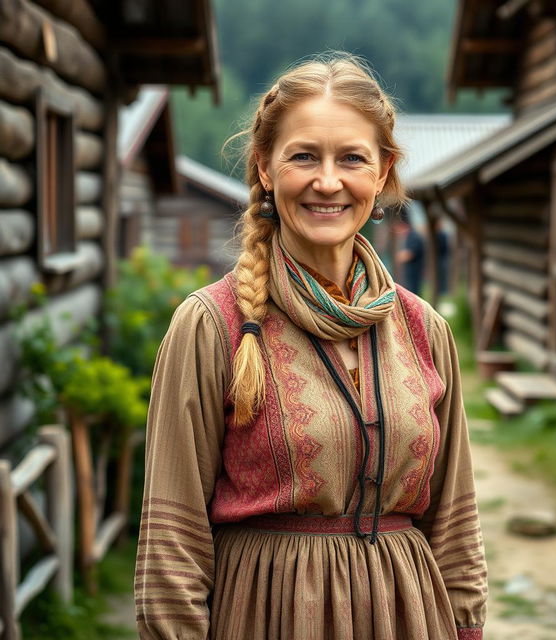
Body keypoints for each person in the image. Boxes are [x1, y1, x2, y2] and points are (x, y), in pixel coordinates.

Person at [135, 54, 487, 640]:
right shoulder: (210, 326)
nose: (328, 181)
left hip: (407, 616)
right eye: (303, 156)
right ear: (266, 170)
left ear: (383, 172)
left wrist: (467, 627)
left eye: (352, 158)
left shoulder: (424, 328)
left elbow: (454, 524)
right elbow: (173, 543)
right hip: (268, 615)